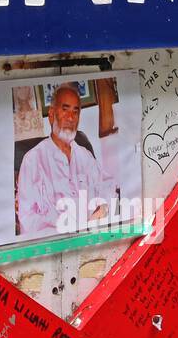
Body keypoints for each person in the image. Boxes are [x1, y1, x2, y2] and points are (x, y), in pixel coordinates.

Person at [16, 80, 119, 238]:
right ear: (51, 115)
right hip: (57, 245)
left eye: (75, 112)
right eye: (65, 110)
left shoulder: (85, 155)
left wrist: (103, 209)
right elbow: (28, 220)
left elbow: (108, 187)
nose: (71, 117)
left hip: (93, 238)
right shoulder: (33, 160)